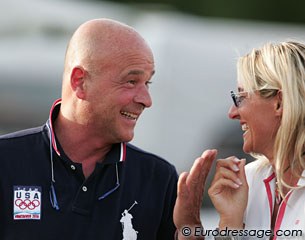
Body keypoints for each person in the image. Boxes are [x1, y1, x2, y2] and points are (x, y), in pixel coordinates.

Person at [0, 18, 216, 240]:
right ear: (80, 82)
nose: (146, 99)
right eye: (131, 81)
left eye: (147, 83)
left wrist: (191, 228)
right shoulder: (6, 161)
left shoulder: (159, 179)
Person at [208, 41, 305, 239]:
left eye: (240, 97)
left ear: (279, 103)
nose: (232, 113)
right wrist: (229, 225)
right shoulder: (248, 181)